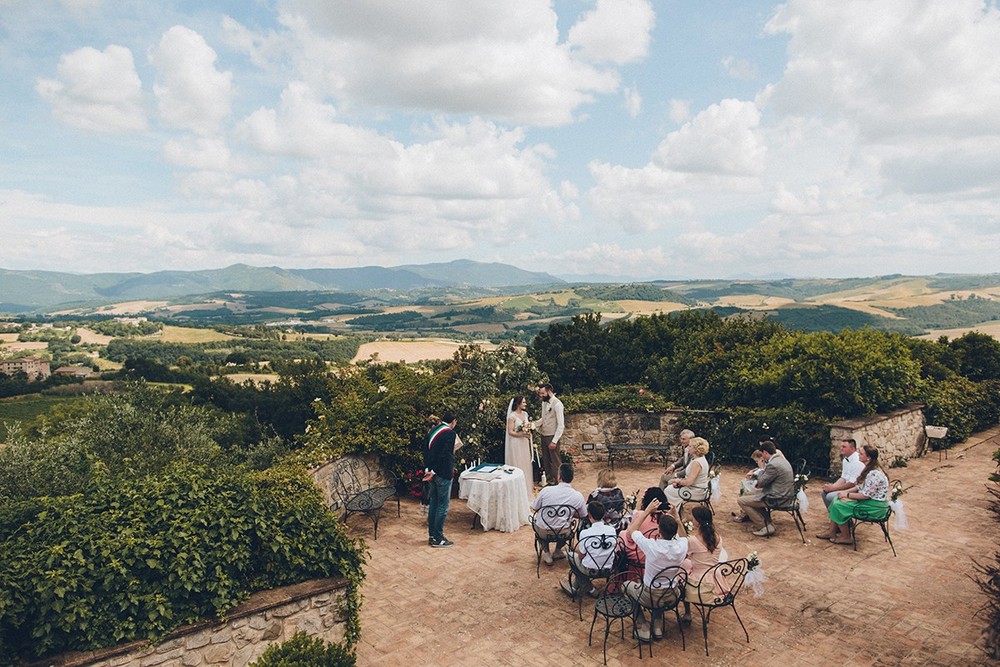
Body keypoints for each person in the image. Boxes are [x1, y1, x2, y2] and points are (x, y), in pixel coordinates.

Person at [624, 498, 688, 642]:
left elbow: (632, 530)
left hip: (651, 595)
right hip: (672, 594)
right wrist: (677, 518)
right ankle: (657, 624)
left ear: (659, 530)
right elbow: (684, 537)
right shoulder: (682, 546)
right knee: (660, 587)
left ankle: (642, 625)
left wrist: (647, 511)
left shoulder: (652, 546)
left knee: (626, 586)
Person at [818, 445, 890, 544]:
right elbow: (859, 487)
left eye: (861, 454)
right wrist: (845, 492)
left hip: (875, 507)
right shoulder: (868, 469)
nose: (859, 455)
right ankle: (832, 531)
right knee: (836, 500)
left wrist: (847, 495)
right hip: (869, 502)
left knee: (839, 505)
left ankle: (846, 537)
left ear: (868, 458)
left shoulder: (874, 474)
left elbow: (865, 495)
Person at [530, 462, 587, 565]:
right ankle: (557, 550)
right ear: (572, 478)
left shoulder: (546, 491)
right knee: (567, 523)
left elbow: (535, 508)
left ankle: (547, 553)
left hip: (544, 532)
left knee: (537, 523)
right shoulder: (577, 495)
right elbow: (583, 515)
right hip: (564, 532)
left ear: (559, 477)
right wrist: (569, 513)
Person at [736, 440, 794, 536]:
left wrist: (761, 467)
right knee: (751, 495)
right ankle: (769, 523)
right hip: (785, 494)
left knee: (741, 500)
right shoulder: (781, 460)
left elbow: (761, 483)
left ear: (765, 452)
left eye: (762, 454)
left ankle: (764, 526)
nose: (762, 456)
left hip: (777, 498)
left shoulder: (773, 465)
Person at [561, 500, 617, 599]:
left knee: (570, 555)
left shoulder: (585, 533)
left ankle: (590, 589)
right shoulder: (612, 530)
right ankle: (573, 587)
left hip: (591, 570)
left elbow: (581, 556)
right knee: (580, 561)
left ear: (589, 515)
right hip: (608, 568)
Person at [423, 410, 460, 548]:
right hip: (442, 473)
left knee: (433, 504)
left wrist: (428, 469)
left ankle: (432, 535)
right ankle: (438, 538)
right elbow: (446, 455)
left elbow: (426, 451)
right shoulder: (450, 433)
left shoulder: (433, 430)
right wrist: (434, 471)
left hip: (431, 473)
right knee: (442, 507)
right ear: (454, 421)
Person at [680, 505, 723, 623]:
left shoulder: (694, 540)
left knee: (680, 571)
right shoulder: (718, 537)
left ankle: (688, 612)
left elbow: (684, 553)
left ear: (697, 522)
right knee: (685, 565)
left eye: (693, 518)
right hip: (716, 577)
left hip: (700, 580)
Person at [619, 487, 669, 570]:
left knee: (622, 534)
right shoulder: (667, 517)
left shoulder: (640, 514)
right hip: (660, 553)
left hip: (640, 555)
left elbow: (629, 537)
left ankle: (621, 568)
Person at [664, 436, 710, 509]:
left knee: (668, 490)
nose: (688, 448)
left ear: (695, 449)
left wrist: (678, 481)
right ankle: (677, 510)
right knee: (670, 487)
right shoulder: (696, 459)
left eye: (690, 446)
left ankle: (673, 511)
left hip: (697, 491)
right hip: (695, 488)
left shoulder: (697, 463)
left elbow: (689, 482)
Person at [534, 383, 565, 485]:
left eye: (542, 393)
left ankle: (559, 483)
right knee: (546, 461)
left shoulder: (558, 404)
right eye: (540, 393)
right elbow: (543, 419)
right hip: (544, 435)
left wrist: (554, 441)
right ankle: (549, 481)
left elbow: (561, 425)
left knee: (556, 462)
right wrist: (532, 425)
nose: (541, 395)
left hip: (552, 436)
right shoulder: (544, 403)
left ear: (549, 391)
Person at [505, 394, 535, 498]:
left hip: (524, 443)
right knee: (518, 464)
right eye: (523, 402)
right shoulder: (512, 416)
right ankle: (517, 492)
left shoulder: (525, 414)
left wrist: (529, 431)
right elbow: (510, 432)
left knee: (525, 464)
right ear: (518, 404)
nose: (525, 404)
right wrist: (522, 434)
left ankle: (526, 489)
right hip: (516, 443)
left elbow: (528, 426)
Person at [821, 438, 864, 508]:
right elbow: (843, 478)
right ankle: (833, 515)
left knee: (830, 496)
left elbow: (852, 484)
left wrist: (833, 489)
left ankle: (840, 516)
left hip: (855, 490)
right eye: (841, 446)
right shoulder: (845, 460)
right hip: (847, 487)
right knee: (824, 493)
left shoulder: (857, 462)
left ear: (852, 449)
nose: (841, 449)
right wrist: (832, 486)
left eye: (844, 447)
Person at [732, 449, 767, 522]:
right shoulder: (760, 467)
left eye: (757, 461)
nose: (757, 463)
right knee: (745, 486)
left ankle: (746, 513)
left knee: (746, 492)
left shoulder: (766, 467)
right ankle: (745, 513)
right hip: (759, 487)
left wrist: (754, 474)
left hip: (761, 489)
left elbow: (762, 476)